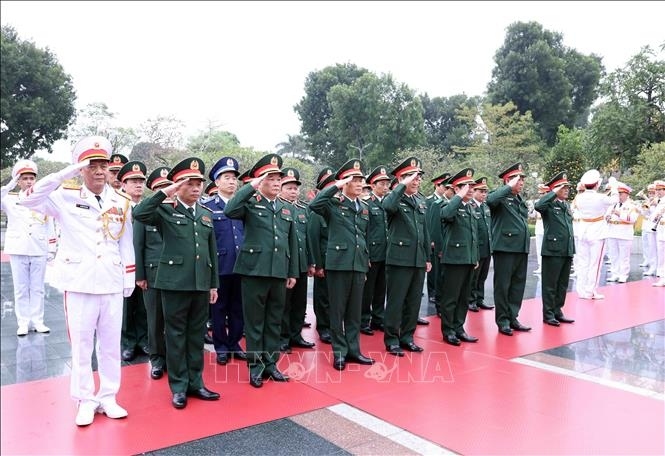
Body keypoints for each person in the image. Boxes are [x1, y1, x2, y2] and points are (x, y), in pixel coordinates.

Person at [20, 136, 135, 426]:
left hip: (110, 279)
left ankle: (108, 396)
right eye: (91, 165)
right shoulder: (64, 196)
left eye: (103, 166)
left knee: (110, 344)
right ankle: (85, 399)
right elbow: (28, 198)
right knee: (81, 344)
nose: (98, 171)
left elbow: (126, 242)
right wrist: (64, 174)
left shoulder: (121, 201)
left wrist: (128, 278)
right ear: (81, 169)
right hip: (80, 281)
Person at [133, 157, 220, 409]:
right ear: (178, 186)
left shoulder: (205, 213)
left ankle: (196, 382)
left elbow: (210, 252)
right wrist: (166, 191)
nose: (196, 188)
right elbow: (140, 213)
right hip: (173, 284)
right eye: (189, 183)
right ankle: (179, 386)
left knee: (195, 336)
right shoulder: (165, 209)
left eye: (199, 183)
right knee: (175, 335)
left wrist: (213, 284)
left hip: (200, 284)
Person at [225, 153, 299, 388]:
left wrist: (292, 272)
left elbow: (292, 243)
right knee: (255, 323)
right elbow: (230, 210)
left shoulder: (286, 209)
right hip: (254, 271)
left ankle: (271, 364)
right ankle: (255, 367)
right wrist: (251, 186)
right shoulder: (250, 203)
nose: (277, 183)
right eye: (272, 179)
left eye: (279, 179)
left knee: (274, 321)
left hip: (278, 271)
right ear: (260, 181)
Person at [309, 159, 374, 370]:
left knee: (354, 311)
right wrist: (336, 185)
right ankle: (339, 352)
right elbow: (314, 204)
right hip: (338, 264)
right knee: (337, 311)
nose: (359, 183)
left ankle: (354, 350)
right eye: (354, 180)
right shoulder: (333, 204)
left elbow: (364, 236)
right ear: (345, 183)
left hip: (358, 264)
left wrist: (365, 262)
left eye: (360, 180)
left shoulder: (364, 207)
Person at [382, 157, 431, 356]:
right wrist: (401, 185)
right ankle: (392, 339)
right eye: (412, 177)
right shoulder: (394, 198)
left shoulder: (420, 200)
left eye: (418, 178)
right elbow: (387, 207)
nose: (417, 181)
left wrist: (427, 257)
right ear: (402, 179)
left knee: (413, 301)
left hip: (418, 259)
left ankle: (407, 337)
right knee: (396, 301)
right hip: (399, 259)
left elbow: (425, 231)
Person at [1, 159, 56, 336]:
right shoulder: (10, 199)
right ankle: (23, 322)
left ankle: (38, 321)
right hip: (18, 247)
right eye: (24, 178)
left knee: (38, 287)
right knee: (21, 288)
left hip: (39, 247)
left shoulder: (43, 200)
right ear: (18, 181)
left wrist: (52, 248)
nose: (29, 181)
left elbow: (50, 224)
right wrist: (9, 185)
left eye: (32, 178)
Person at [202, 157, 247, 366]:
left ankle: (234, 343)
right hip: (220, 265)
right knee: (218, 309)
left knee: (238, 308)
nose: (231, 182)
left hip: (241, 265)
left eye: (233, 178)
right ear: (216, 182)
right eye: (226, 178)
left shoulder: (243, 206)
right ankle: (220, 346)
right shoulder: (209, 206)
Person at [133, 166, 171, 380]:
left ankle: (172, 358)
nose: (166, 191)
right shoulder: (145, 213)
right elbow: (138, 246)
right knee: (155, 319)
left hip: (175, 276)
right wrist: (140, 275)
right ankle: (157, 359)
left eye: (168, 186)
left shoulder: (177, 210)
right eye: (161, 188)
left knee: (173, 320)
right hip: (153, 275)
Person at [486, 162, 531, 336]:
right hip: (505, 248)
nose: (522, 183)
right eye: (518, 180)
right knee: (503, 286)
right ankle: (503, 320)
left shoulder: (519, 199)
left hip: (520, 248)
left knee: (517, 285)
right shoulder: (499, 197)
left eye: (522, 180)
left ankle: (513, 316)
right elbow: (490, 200)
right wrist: (508, 187)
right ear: (508, 181)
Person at [439, 168, 479, 346]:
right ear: (456, 189)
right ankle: (448, 331)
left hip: (468, 258)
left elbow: (473, 235)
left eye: (471, 186)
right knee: (451, 297)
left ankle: (459, 327)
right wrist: (458, 197)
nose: (470, 189)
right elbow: (446, 215)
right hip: (454, 259)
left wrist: (475, 256)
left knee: (463, 297)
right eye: (465, 187)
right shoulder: (448, 205)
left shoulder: (470, 207)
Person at [278, 167, 315, 352]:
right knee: (284, 303)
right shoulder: (277, 208)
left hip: (300, 263)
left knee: (300, 303)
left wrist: (311, 262)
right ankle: (283, 337)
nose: (293, 191)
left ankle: (295, 335)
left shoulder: (302, 209)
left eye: (295, 188)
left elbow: (308, 238)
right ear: (280, 188)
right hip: (284, 264)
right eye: (289, 188)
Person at [116, 161, 150, 362]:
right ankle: (128, 343)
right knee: (127, 305)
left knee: (144, 305)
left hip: (146, 263)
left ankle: (144, 340)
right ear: (124, 184)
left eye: (141, 181)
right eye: (133, 181)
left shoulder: (148, 207)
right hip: (124, 264)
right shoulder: (119, 207)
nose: (138, 185)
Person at [535, 171, 576, 326]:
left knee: (562, 284)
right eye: (562, 188)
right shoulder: (548, 204)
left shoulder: (565, 205)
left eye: (567, 188)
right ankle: (548, 314)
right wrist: (552, 192)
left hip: (566, 249)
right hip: (553, 250)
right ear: (554, 189)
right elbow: (539, 205)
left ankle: (558, 310)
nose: (566, 190)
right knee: (550, 284)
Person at [573, 169, 618, 299]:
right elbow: (615, 199)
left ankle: (581, 290)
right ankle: (590, 291)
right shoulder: (600, 197)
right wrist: (614, 185)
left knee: (583, 262)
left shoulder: (579, 197)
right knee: (595, 264)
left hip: (583, 231)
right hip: (597, 232)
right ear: (597, 184)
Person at [360, 165, 391, 335]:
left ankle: (378, 318)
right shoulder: (367, 204)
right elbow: (364, 230)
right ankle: (364, 320)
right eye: (382, 184)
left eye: (387, 184)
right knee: (368, 290)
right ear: (373, 186)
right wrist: (366, 255)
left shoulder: (388, 203)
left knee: (381, 289)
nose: (386, 187)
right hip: (372, 253)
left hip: (386, 253)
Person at [307, 168, 335, 345]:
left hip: (338, 262)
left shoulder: (339, 208)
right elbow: (313, 239)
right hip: (324, 261)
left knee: (335, 297)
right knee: (323, 296)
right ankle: (323, 327)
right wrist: (317, 264)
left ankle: (333, 325)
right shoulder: (318, 211)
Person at [425, 172, 451, 315]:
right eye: (444, 186)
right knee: (433, 270)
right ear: (437, 185)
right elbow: (429, 222)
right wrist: (431, 240)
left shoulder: (447, 201)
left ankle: (438, 292)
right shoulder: (430, 201)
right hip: (433, 238)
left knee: (441, 271)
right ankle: (432, 292)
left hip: (445, 240)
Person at [468, 176, 494, 311]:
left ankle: (480, 298)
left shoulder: (485, 206)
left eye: (485, 192)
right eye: (481, 191)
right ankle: (471, 299)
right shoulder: (471, 206)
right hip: (477, 248)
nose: (484, 194)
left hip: (487, 247)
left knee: (483, 276)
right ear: (474, 191)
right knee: (474, 276)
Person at [605, 183, 638, 283]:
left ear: (627, 194)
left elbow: (633, 219)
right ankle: (615, 273)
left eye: (621, 193)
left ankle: (623, 275)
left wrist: (619, 214)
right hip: (612, 232)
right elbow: (605, 215)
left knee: (624, 256)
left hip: (624, 233)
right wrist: (607, 217)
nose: (618, 195)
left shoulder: (632, 206)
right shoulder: (612, 205)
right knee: (613, 255)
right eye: (618, 193)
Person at [531, 183, 550, 275]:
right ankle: (540, 266)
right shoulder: (537, 202)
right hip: (539, 226)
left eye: (544, 193)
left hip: (547, 227)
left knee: (547, 248)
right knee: (539, 248)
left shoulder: (550, 202)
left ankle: (547, 267)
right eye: (541, 193)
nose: (541, 195)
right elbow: (532, 215)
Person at [639, 183, 657, 276]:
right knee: (645, 243)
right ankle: (647, 260)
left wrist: (650, 203)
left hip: (655, 225)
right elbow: (643, 213)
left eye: (652, 192)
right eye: (649, 192)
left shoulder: (658, 201)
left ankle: (655, 265)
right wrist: (646, 204)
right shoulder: (648, 201)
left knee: (654, 247)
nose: (650, 194)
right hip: (646, 223)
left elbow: (655, 213)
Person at [652, 180, 665, 286]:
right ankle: (662, 277)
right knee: (661, 255)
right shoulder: (659, 201)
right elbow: (654, 216)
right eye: (657, 190)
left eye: (660, 190)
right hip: (661, 230)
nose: (658, 192)